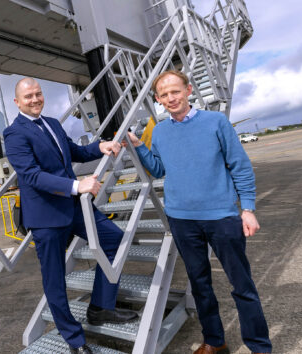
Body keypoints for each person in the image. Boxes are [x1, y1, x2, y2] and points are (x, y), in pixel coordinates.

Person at [116, 70, 271, 354]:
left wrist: (247, 208)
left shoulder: (216, 122)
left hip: (222, 217)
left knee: (242, 285)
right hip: (182, 219)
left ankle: (259, 347)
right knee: (200, 285)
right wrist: (138, 147)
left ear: (188, 90)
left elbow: (240, 166)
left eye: (176, 91)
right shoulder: (160, 131)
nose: (171, 98)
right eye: (164, 95)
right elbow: (161, 169)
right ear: (158, 100)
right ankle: (214, 341)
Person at [3, 77, 137, 354]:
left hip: (72, 207)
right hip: (45, 217)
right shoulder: (14, 133)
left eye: (38, 93)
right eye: (28, 96)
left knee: (114, 239)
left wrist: (100, 145)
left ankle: (100, 307)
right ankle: (74, 339)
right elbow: (31, 175)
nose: (35, 99)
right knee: (55, 280)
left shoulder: (52, 123)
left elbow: (74, 152)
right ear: (17, 102)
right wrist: (77, 185)